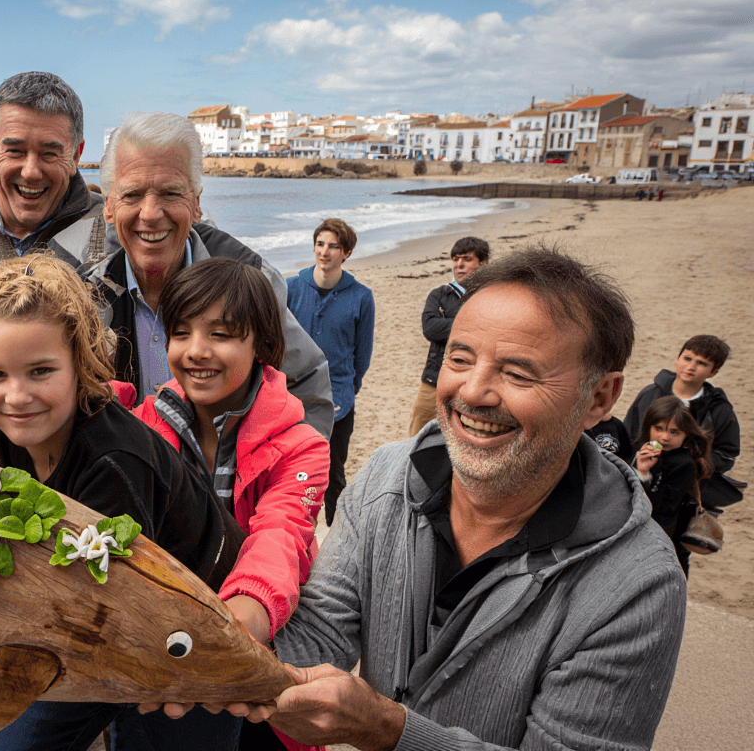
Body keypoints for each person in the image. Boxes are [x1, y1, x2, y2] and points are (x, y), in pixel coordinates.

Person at [194, 247, 686, 750]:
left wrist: (392, 731)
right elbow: (322, 629)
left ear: (599, 398)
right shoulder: (387, 476)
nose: (473, 392)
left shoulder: (637, 585)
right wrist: (207, 657)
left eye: (517, 374)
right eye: (460, 358)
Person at [0, 253, 243, 751]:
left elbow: (118, 600)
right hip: (91, 620)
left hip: (197, 623)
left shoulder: (116, 460)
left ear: (81, 362)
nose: (16, 397)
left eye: (40, 371)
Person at [128, 257, 328, 751]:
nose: (197, 351)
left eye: (221, 334)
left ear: (261, 343)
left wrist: (241, 618)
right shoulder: (142, 424)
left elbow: (281, 534)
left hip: (259, 637)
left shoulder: (303, 446)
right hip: (161, 643)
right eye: (180, 332)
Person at [82, 111, 335, 438]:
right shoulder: (88, 298)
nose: (151, 213)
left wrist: (289, 476)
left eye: (171, 193)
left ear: (196, 202)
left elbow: (306, 382)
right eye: (132, 194)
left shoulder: (250, 282)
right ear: (109, 207)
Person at [0, 71, 108, 277]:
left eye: (49, 154)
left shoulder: (115, 237)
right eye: (15, 151)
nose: (31, 172)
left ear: (75, 156)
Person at [285, 218, 374, 525]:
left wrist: (347, 389)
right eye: (320, 244)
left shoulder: (361, 296)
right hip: (293, 396)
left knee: (334, 475)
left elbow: (362, 357)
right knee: (292, 473)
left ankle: (337, 541)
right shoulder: (291, 288)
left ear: (346, 252)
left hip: (339, 399)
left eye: (333, 246)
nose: (324, 252)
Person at [623, 335, 740, 488]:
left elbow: (726, 455)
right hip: (641, 477)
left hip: (689, 488)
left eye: (701, 363)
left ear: (713, 372)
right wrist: (639, 460)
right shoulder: (650, 394)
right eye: (687, 358)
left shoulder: (719, 409)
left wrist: (690, 464)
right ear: (678, 358)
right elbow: (627, 436)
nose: (691, 367)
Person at [407, 236, 489, 437]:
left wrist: (449, 323)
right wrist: (475, 326)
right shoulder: (440, 294)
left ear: (483, 263)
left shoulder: (491, 296)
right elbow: (430, 329)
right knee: (416, 438)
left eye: (467, 259)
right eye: (456, 259)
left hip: (473, 384)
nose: (459, 265)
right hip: (433, 381)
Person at [634, 396, 715, 576]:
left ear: (686, 434)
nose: (664, 437)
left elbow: (663, 507)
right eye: (658, 429)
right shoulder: (642, 450)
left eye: (674, 432)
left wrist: (643, 473)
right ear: (648, 427)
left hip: (663, 535)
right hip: (639, 529)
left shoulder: (685, 464)